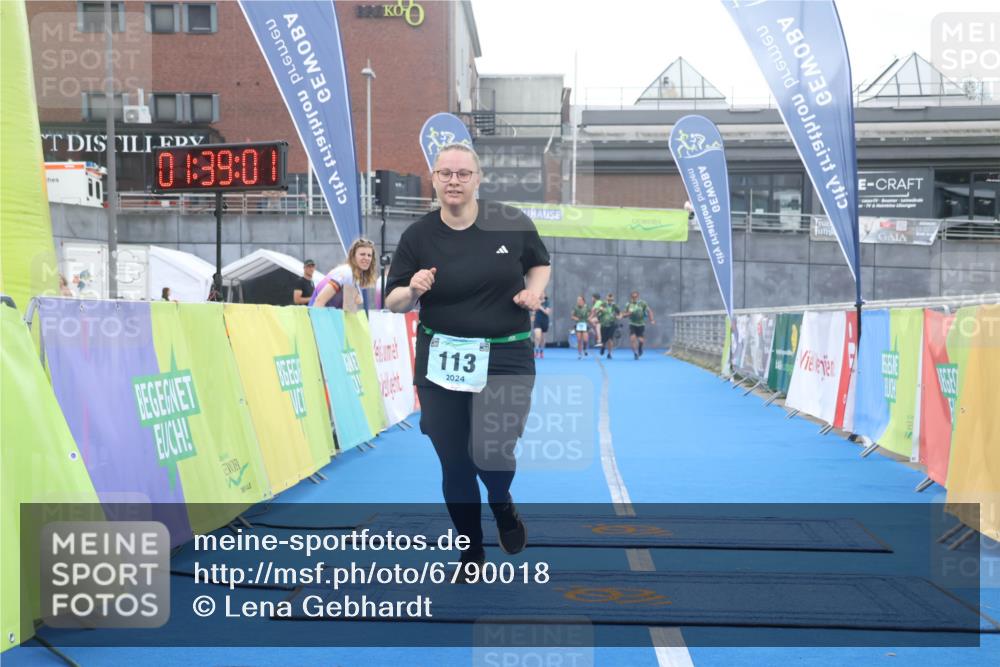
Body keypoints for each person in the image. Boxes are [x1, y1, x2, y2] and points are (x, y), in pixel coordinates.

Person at [384, 143, 551, 575]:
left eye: (462, 174)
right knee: (454, 460)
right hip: (442, 358)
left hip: (506, 355)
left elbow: (540, 263)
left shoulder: (510, 222)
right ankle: (470, 550)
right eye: (445, 174)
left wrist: (534, 292)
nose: (453, 181)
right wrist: (415, 289)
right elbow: (394, 300)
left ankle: (501, 501)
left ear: (478, 179)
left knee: (492, 453)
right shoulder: (417, 237)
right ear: (434, 179)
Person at [310, 239, 377, 309]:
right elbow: (319, 301)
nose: (366, 258)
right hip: (317, 315)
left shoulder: (352, 275)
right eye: (362, 254)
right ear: (353, 256)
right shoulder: (347, 273)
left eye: (369, 255)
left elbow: (349, 306)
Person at [624, 290, 656, 359]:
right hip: (632, 323)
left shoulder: (643, 303)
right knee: (632, 339)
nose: (634, 298)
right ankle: (635, 354)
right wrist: (626, 314)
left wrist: (652, 320)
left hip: (641, 324)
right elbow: (625, 313)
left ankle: (640, 347)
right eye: (633, 297)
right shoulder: (628, 304)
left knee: (641, 340)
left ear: (638, 296)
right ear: (631, 297)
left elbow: (649, 311)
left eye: (635, 296)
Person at [597, 292, 621, 359]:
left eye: (611, 300)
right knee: (604, 340)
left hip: (612, 324)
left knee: (610, 339)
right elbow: (598, 312)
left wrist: (619, 316)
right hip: (604, 324)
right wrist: (600, 310)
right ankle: (603, 347)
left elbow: (619, 313)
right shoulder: (603, 304)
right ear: (606, 299)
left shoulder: (615, 306)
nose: (610, 301)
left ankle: (609, 353)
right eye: (609, 300)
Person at [571, 295, 590, 359]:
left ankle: (585, 348)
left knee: (585, 340)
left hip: (585, 324)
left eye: (580, 300)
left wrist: (589, 318)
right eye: (577, 300)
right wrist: (575, 318)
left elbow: (590, 314)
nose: (578, 301)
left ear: (583, 301)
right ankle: (579, 353)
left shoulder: (587, 307)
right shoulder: (575, 308)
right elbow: (572, 316)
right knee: (579, 340)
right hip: (578, 325)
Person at [532, 293, 551, 359]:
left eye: (542, 294)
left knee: (542, 338)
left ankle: (541, 351)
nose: (541, 295)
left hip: (545, 321)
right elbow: (533, 311)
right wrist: (533, 316)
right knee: (537, 336)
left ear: (544, 295)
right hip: (537, 321)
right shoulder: (536, 302)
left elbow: (547, 312)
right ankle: (536, 350)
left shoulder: (547, 302)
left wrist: (540, 307)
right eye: (540, 294)